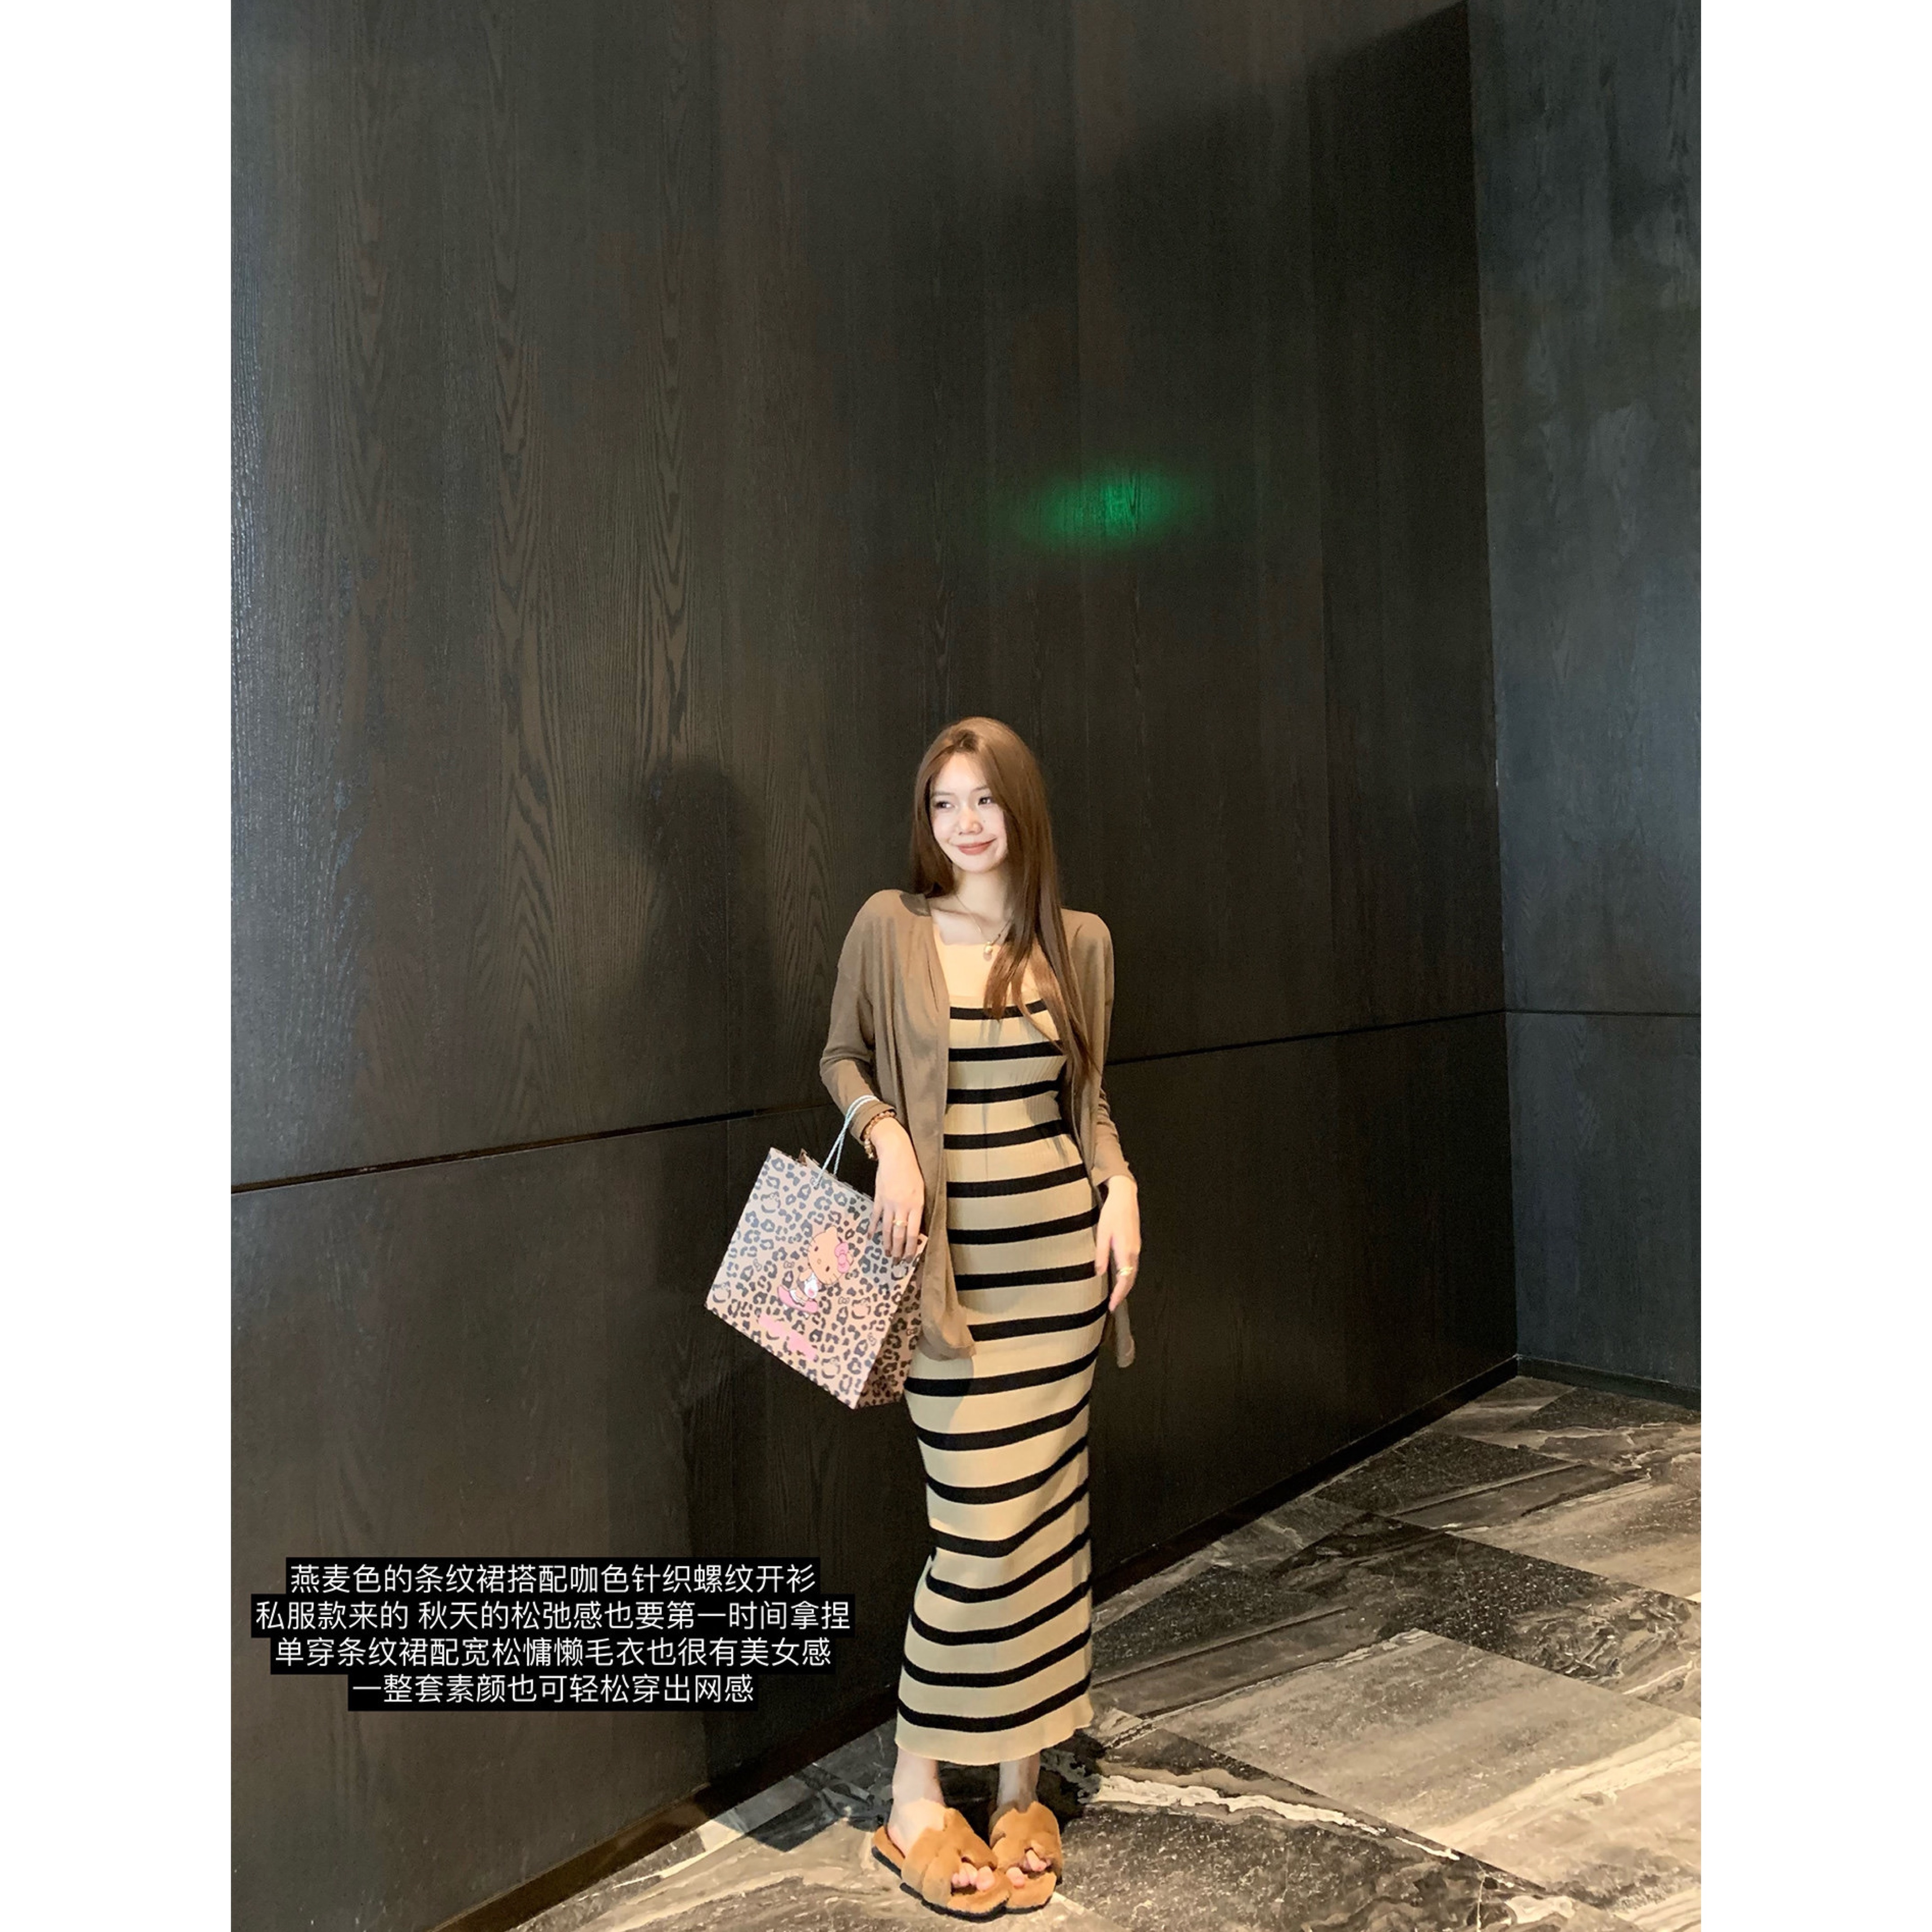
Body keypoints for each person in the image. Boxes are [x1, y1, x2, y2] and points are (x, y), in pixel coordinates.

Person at [818, 716, 1142, 1917]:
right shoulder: (889, 925)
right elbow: (840, 1058)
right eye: (944, 802)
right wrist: (888, 1137)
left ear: (1021, 810)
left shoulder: (1078, 943)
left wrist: (1123, 1187)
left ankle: (1018, 1784)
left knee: (1048, 1525)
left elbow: (1088, 1105)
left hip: (1059, 1280)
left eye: (984, 800)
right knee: (976, 1537)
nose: (963, 822)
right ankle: (912, 1799)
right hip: (949, 1292)